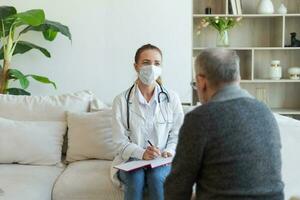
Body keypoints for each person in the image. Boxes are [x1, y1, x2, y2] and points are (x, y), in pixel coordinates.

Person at [164, 48, 284, 200]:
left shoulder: (200, 118)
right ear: (238, 78)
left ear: (201, 82)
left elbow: (177, 188)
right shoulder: (265, 112)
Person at [111, 44, 184, 200]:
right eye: (146, 62)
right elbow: (119, 141)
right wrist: (141, 153)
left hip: (162, 159)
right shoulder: (121, 100)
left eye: (156, 63)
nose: (151, 67)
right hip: (131, 159)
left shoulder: (171, 98)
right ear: (136, 66)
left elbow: (179, 134)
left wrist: (169, 151)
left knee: (157, 177)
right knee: (135, 177)